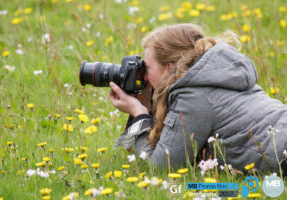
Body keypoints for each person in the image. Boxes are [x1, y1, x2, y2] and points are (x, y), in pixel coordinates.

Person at [108, 23, 287, 176]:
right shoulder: (216, 73)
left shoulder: (194, 95)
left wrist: (139, 114)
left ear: (169, 68)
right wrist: (148, 106)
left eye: (146, 68)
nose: (143, 77)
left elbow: (162, 167)